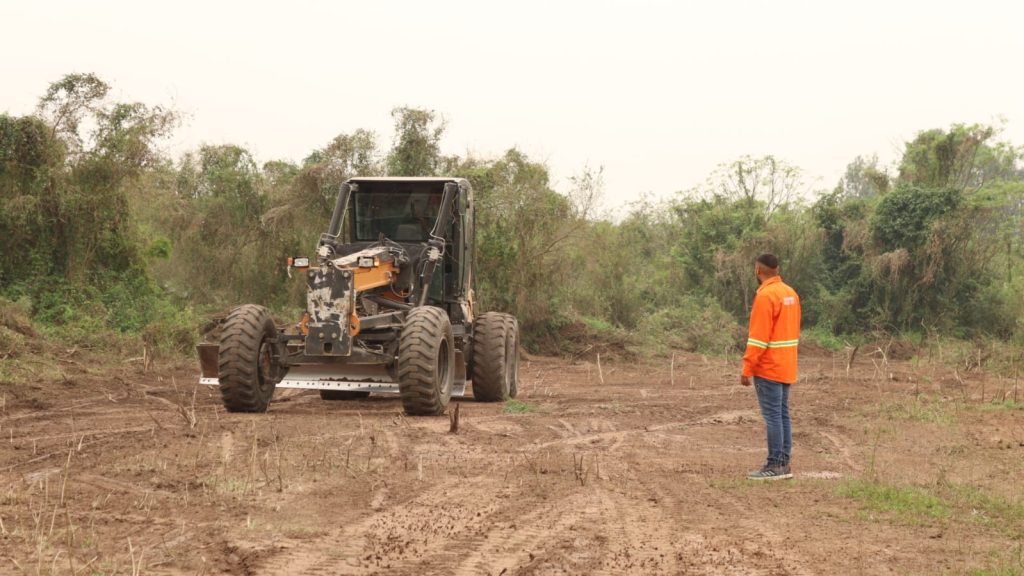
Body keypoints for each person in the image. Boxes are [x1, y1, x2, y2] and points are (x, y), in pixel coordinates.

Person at [741, 253, 801, 481]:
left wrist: (747, 368)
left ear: (758, 270)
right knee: (782, 414)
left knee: (773, 416)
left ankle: (774, 465)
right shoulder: (790, 293)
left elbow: (758, 338)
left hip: (768, 367)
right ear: (777, 269)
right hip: (786, 365)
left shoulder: (766, 296)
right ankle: (783, 463)